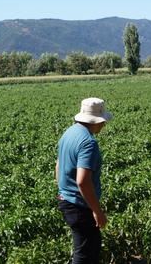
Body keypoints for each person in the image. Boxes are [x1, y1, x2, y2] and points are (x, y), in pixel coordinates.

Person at [56, 97, 112, 264]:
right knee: (85, 255)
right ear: (93, 121)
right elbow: (83, 181)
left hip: (66, 201)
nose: (104, 124)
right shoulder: (88, 143)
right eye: (102, 121)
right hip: (80, 206)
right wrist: (97, 210)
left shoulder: (69, 133)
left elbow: (58, 166)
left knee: (90, 247)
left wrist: (63, 192)